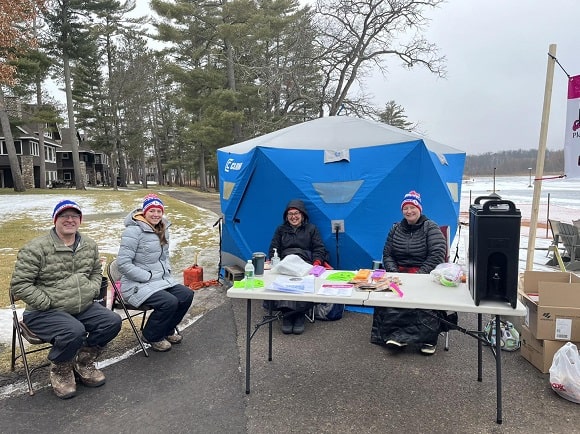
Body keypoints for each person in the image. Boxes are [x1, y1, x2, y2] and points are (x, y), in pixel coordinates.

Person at [10, 199, 122, 399]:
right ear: (55, 220)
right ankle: (60, 369)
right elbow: (20, 285)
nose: (69, 220)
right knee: (74, 330)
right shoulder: (36, 248)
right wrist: (46, 302)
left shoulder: (88, 245)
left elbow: (96, 271)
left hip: (81, 306)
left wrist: (92, 288)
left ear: (80, 220)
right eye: (64, 216)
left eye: (74, 216)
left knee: (112, 322)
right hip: (43, 311)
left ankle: (83, 361)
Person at [370, 190, 447, 355]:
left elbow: (438, 254)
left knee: (422, 297)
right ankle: (397, 336)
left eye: (412, 207)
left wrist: (419, 275)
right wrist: (395, 273)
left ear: (419, 208)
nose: (409, 211)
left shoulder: (430, 227)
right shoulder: (396, 228)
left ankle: (428, 339)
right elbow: (387, 254)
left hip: (424, 273)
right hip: (399, 273)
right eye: (405, 208)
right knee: (391, 295)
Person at [117, 193, 193, 352]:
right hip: (136, 284)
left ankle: (166, 330)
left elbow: (164, 257)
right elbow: (123, 264)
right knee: (169, 302)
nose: (156, 214)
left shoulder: (162, 229)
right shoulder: (133, 231)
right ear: (144, 212)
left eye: (159, 211)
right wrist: (147, 276)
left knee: (186, 295)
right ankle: (151, 335)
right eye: (152, 210)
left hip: (159, 280)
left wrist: (167, 272)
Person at [268, 199, 330, 335]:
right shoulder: (281, 230)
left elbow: (319, 248)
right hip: (285, 263)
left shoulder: (311, 229)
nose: (293, 217)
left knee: (302, 282)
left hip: (304, 263)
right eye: (290, 214)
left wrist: (316, 264)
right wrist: (275, 261)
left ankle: (299, 316)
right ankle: (288, 316)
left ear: (303, 215)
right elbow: (273, 249)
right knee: (284, 282)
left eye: (296, 213)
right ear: (286, 216)